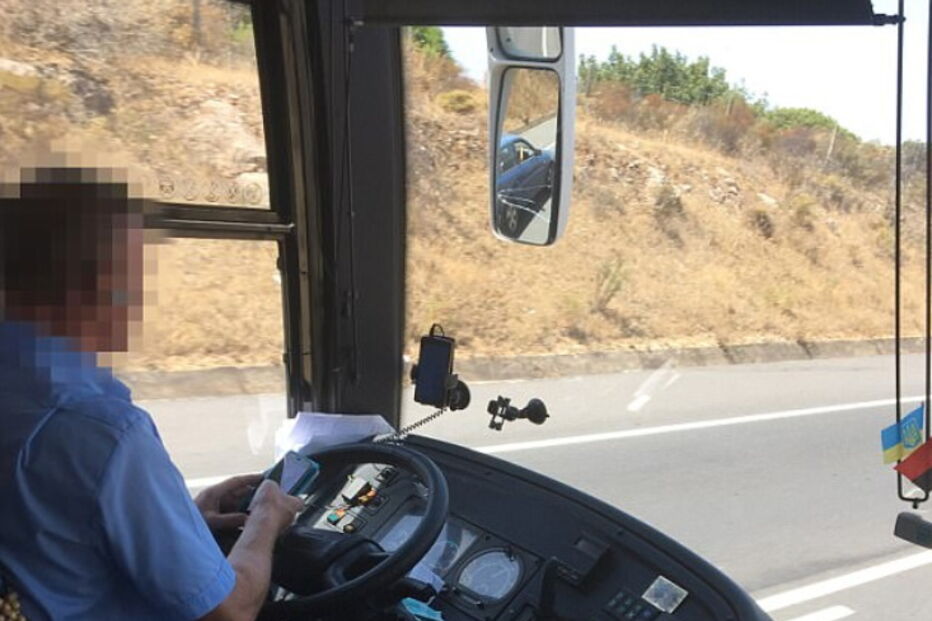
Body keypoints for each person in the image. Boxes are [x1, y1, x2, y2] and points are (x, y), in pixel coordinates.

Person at [0, 166, 304, 620]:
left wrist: (181, 520)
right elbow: (230, 610)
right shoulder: (101, 432)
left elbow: (53, 544)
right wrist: (267, 517)